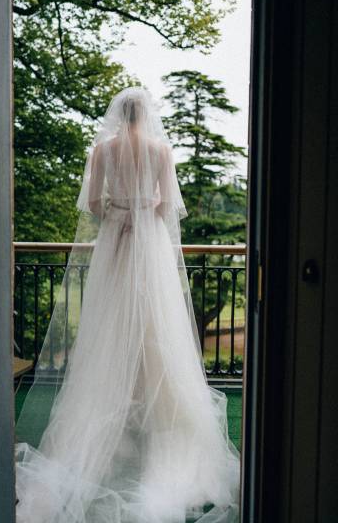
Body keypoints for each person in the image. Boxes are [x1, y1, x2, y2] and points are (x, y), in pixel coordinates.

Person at [14, 86, 241, 523]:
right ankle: (156, 419)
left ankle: (113, 419)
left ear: (119, 114)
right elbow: (166, 206)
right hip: (148, 251)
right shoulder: (160, 150)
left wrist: (121, 211)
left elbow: (94, 204)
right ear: (147, 114)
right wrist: (144, 207)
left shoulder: (102, 151)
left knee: (108, 329)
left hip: (115, 247)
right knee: (156, 330)